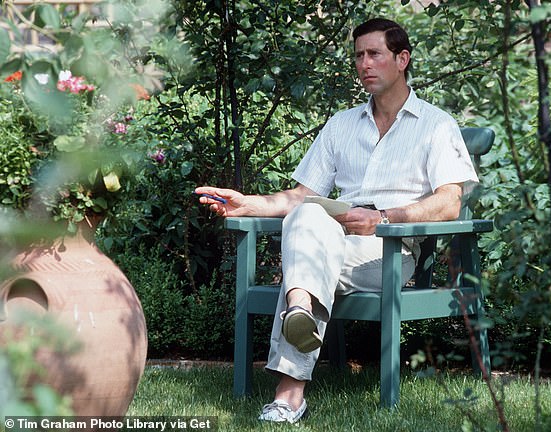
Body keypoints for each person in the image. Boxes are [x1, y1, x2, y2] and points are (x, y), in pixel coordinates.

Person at [195, 17, 479, 423]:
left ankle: (292, 366)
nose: (365, 64)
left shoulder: (436, 126)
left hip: (388, 252)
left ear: (402, 59)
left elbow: (449, 202)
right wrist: (247, 204)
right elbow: (300, 196)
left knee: (306, 249)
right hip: (329, 242)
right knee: (308, 214)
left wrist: (383, 218)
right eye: (359, 55)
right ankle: (296, 338)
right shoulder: (341, 125)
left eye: (375, 54)